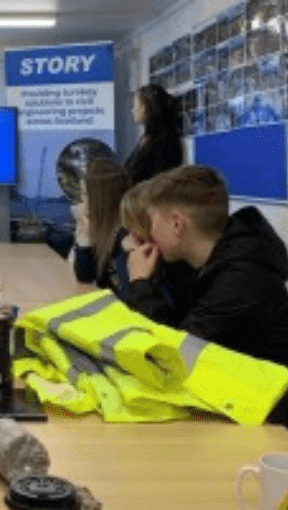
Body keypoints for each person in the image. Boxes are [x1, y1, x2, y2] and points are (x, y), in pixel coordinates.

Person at [121, 165, 288, 367]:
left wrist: (140, 283)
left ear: (176, 224)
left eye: (151, 222)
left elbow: (173, 356)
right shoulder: (196, 261)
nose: (148, 234)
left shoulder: (244, 279)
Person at [72, 158, 130, 294]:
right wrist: (85, 236)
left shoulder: (126, 238)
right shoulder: (102, 229)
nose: (81, 202)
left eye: (85, 195)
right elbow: (84, 276)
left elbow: (124, 295)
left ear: (100, 202)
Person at [125, 83, 183, 185]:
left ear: (146, 108)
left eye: (135, 105)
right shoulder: (148, 138)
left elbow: (160, 182)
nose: (133, 110)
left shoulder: (166, 141)